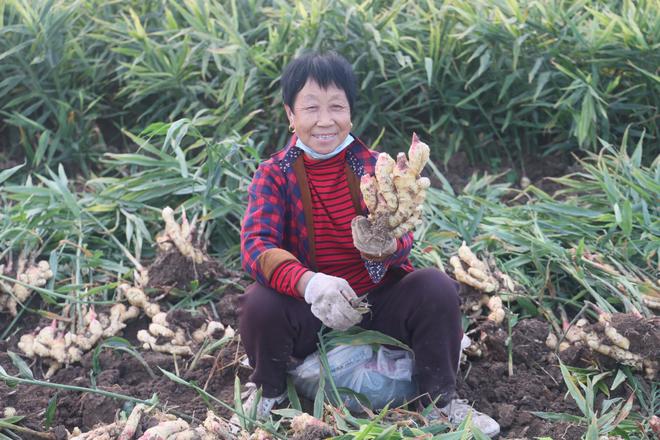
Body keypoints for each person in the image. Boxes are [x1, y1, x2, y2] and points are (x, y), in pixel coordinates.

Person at [237, 51, 500, 437]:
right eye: (310, 108)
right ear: (290, 115)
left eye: (336, 107)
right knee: (259, 303)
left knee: (435, 287)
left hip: (377, 302)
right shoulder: (274, 175)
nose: (324, 120)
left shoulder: (374, 167)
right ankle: (268, 394)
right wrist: (310, 284)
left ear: (351, 114)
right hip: (313, 312)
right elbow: (255, 247)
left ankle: (441, 403)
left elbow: (403, 230)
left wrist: (390, 246)